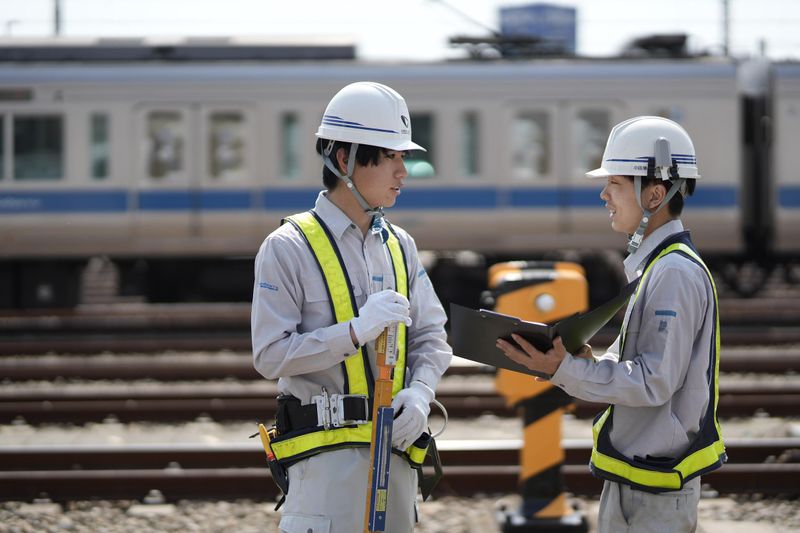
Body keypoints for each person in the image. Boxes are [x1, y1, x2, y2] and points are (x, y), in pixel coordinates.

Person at [497, 116, 726, 532]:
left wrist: (563, 369)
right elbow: (641, 367)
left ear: (654, 194)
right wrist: (583, 360)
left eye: (615, 184)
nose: (604, 194)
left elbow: (653, 382)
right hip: (640, 478)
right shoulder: (657, 267)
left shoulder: (673, 273)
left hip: (656, 489)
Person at [251, 81, 452, 533]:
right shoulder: (287, 247)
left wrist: (421, 394)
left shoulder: (401, 245)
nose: (404, 171)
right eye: (391, 157)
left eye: (404, 157)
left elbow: (432, 337)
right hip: (321, 471)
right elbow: (269, 355)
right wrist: (356, 332)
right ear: (345, 159)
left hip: (396, 467)